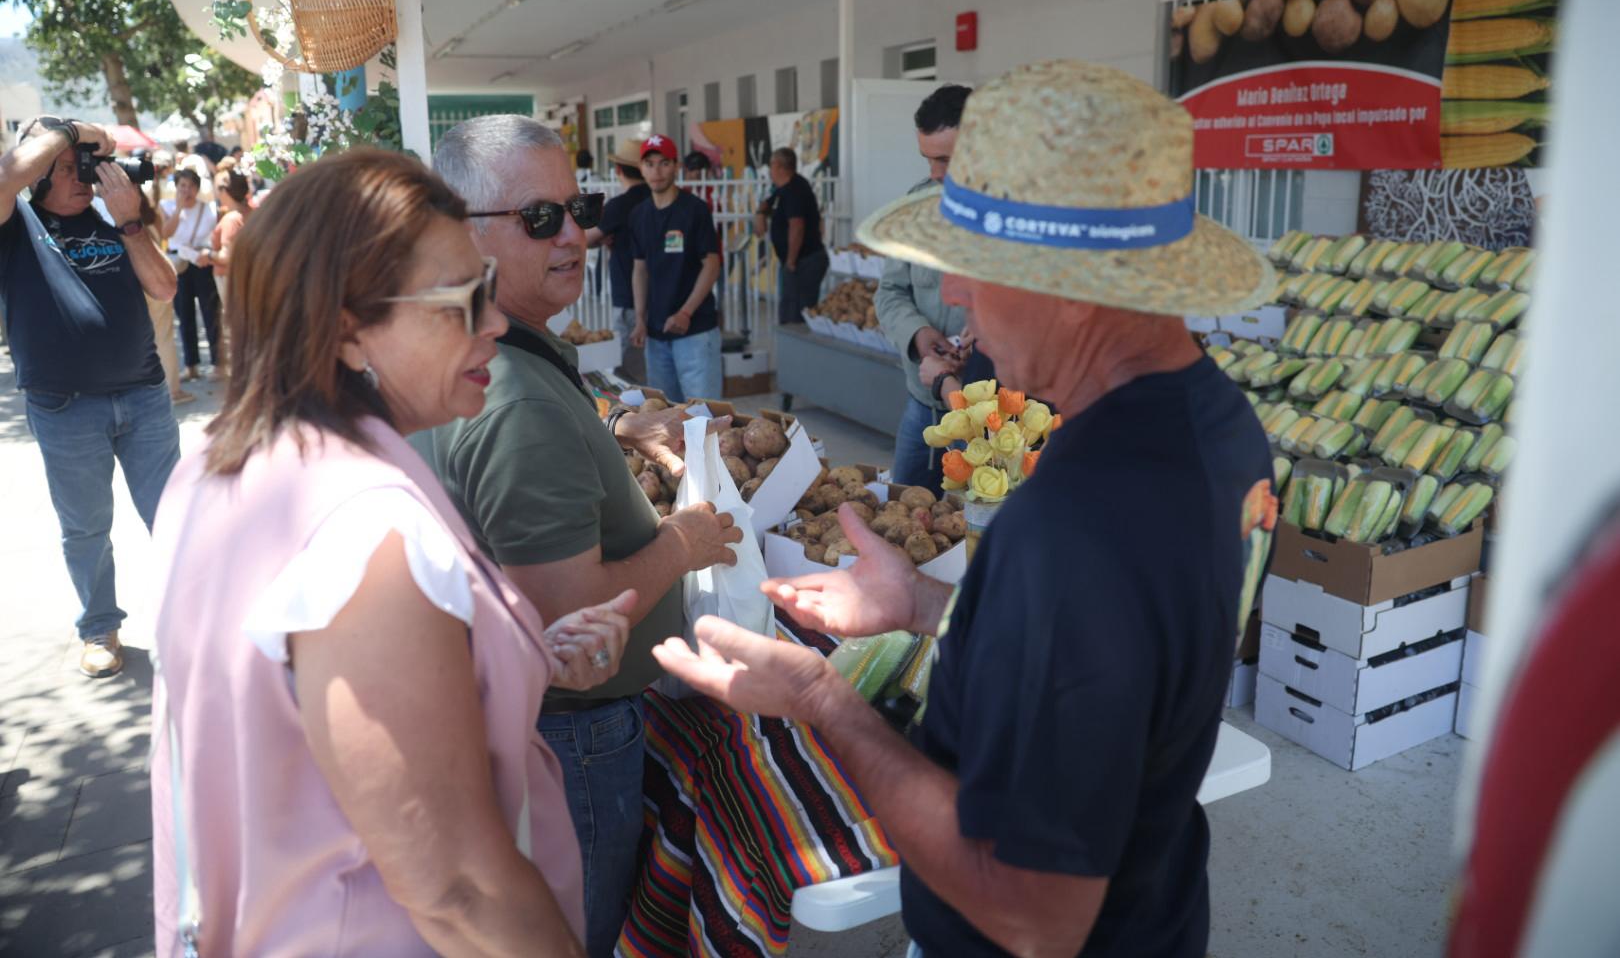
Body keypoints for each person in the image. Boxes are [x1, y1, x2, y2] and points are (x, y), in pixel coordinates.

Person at [653, 61, 1278, 958]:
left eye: (978, 267)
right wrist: (924, 605)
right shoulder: (1219, 428)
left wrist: (820, 696)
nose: (956, 297)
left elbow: (1032, 916)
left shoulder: (1074, 521)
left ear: (1069, 281)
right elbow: (1115, 661)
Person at [149, 148, 633, 955]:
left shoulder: (218, 463)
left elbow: (300, 699)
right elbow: (458, 889)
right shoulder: (367, 535)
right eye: (461, 301)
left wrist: (518, 661)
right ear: (347, 330)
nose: (496, 322)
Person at [421, 115, 744, 957]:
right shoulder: (516, 398)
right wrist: (685, 540)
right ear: (462, 229)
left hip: (544, 730)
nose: (575, 234)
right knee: (580, 935)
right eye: (540, 219)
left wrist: (612, 427)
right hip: (573, 736)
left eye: (577, 206)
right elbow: (567, 615)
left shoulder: (486, 354)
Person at [0, 116, 181, 677]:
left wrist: (131, 224)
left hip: (145, 398)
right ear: (38, 171)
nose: (82, 175)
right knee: (86, 528)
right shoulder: (16, 224)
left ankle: (203, 613)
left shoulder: (112, 223)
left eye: (86, 165)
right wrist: (69, 130)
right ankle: (99, 627)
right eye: (67, 166)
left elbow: (165, 286)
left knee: (176, 514)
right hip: (66, 406)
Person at [876, 83, 978, 492]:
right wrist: (919, 334)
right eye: (928, 159)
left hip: (989, 420)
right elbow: (890, 291)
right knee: (904, 517)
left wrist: (986, 340)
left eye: (946, 161)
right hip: (924, 406)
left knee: (977, 536)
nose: (935, 174)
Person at [628, 134, 723, 404]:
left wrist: (686, 312)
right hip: (656, 336)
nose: (656, 171)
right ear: (641, 168)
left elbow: (712, 265)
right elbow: (639, 269)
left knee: (704, 416)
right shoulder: (639, 215)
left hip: (695, 332)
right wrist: (640, 318)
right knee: (665, 417)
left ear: (676, 166)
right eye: (650, 164)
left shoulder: (694, 210)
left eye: (664, 163)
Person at [582, 139, 650, 380]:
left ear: (618, 170)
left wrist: (601, 239)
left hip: (628, 295)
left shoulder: (620, 205)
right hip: (662, 294)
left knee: (627, 369)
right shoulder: (657, 200)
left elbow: (587, 238)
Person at [753, 146, 826, 324]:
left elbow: (797, 227)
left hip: (804, 261)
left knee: (797, 316)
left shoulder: (796, 189)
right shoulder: (782, 190)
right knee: (787, 311)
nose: (770, 171)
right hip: (795, 261)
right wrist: (760, 214)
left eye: (771, 166)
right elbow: (766, 204)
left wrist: (791, 261)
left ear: (778, 166)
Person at [161, 168, 222, 381]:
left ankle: (217, 363)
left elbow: (214, 235)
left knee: (210, 313)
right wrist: (178, 210)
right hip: (179, 264)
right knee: (184, 315)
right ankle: (191, 365)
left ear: (197, 188)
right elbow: (165, 233)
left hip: (203, 262)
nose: (187, 191)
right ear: (176, 188)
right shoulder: (166, 207)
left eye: (191, 186)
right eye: (182, 186)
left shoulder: (209, 208)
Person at [135, 186, 193, 406]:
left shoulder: (121, 220)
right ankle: (172, 389)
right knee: (164, 336)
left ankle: (154, 387)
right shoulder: (153, 215)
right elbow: (164, 239)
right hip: (158, 280)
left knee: (146, 337)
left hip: (138, 284)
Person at [210, 167, 253, 309]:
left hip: (231, 279)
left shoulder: (232, 219)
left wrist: (207, 254)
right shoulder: (251, 213)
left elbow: (227, 256)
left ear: (224, 191)